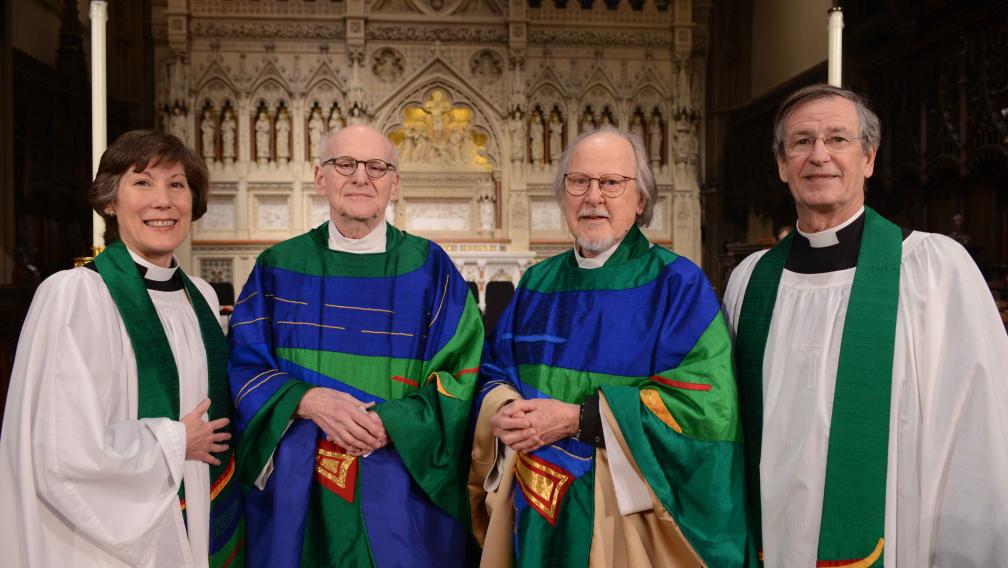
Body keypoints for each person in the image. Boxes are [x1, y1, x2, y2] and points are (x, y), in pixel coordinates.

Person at [722, 84, 1008, 566]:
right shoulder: (750, 282)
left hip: (897, 529)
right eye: (801, 142)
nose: (819, 157)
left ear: (869, 157)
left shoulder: (933, 270)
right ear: (780, 164)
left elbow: (979, 422)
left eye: (838, 139)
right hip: (771, 529)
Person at [470, 127, 747, 567]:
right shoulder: (539, 283)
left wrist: (577, 419)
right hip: (535, 505)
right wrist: (502, 407)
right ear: (563, 195)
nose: (593, 197)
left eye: (611, 183)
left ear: (640, 200)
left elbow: (705, 407)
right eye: (578, 181)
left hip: (624, 519)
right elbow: (494, 371)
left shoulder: (677, 284)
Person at [229, 124, 483, 567]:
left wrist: (394, 423)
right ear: (319, 177)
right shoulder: (278, 266)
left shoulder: (429, 268)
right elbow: (243, 365)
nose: (361, 177)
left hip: (399, 483)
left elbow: (462, 372)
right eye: (345, 164)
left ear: (395, 183)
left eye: (377, 167)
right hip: (298, 483)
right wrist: (307, 400)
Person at [0, 130, 244, 567]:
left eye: (177, 184)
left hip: (197, 516)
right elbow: (60, 449)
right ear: (110, 201)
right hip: (108, 538)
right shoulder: (76, 296)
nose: (163, 201)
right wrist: (174, 441)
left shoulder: (202, 298)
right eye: (143, 182)